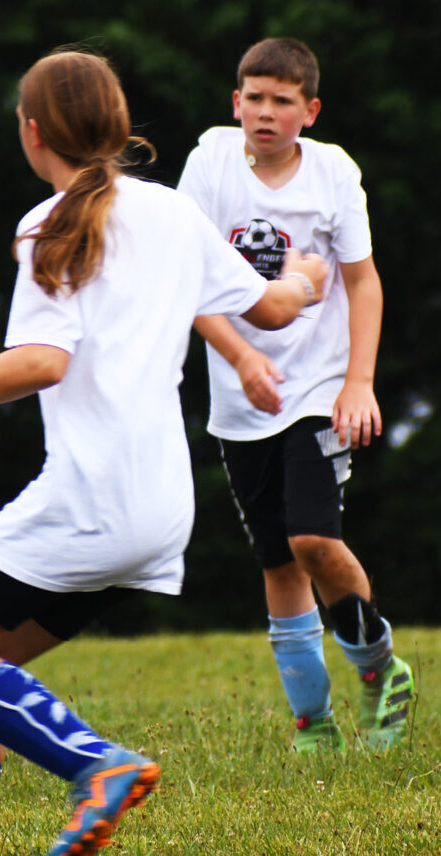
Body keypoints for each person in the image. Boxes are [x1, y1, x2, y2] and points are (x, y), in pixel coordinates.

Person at [0, 49, 328, 856]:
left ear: (33, 133)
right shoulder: (172, 211)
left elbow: (40, 362)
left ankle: (97, 763)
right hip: (160, 506)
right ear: (115, 123)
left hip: (89, 499)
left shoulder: (48, 223)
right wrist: (307, 275)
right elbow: (276, 308)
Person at [176, 37, 413, 755]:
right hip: (241, 398)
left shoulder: (334, 172)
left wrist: (358, 383)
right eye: (254, 97)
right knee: (278, 561)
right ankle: (314, 724)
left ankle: (379, 670)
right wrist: (243, 357)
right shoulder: (210, 162)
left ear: (310, 111)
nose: (266, 112)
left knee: (313, 537)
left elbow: (363, 280)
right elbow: (183, 276)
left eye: (283, 100)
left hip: (317, 387)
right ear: (235, 102)